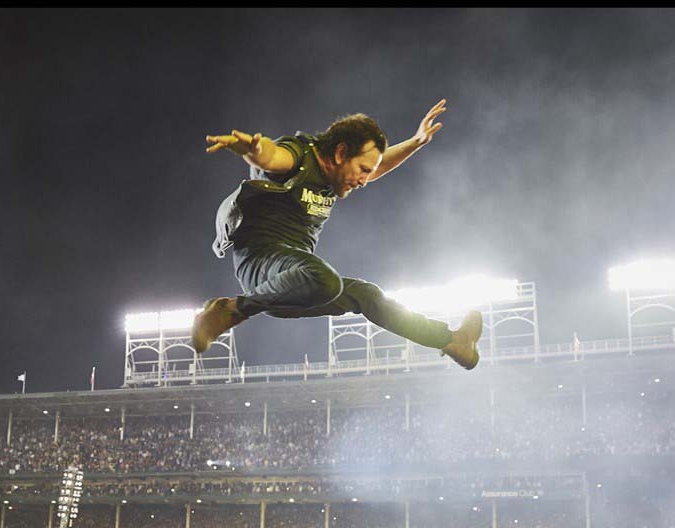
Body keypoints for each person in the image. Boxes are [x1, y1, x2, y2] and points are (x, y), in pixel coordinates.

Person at [198, 101, 484, 370]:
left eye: (367, 173)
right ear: (340, 153)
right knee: (324, 279)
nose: (363, 180)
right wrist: (253, 151)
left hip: (294, 282)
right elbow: (273, 157)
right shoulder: (302, 156)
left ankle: (452, 341)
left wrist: (416, 142)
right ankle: (232, 310)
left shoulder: (336, 176)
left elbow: (378, 167)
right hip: (262, 264)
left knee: (367, 295)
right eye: (361, 169)